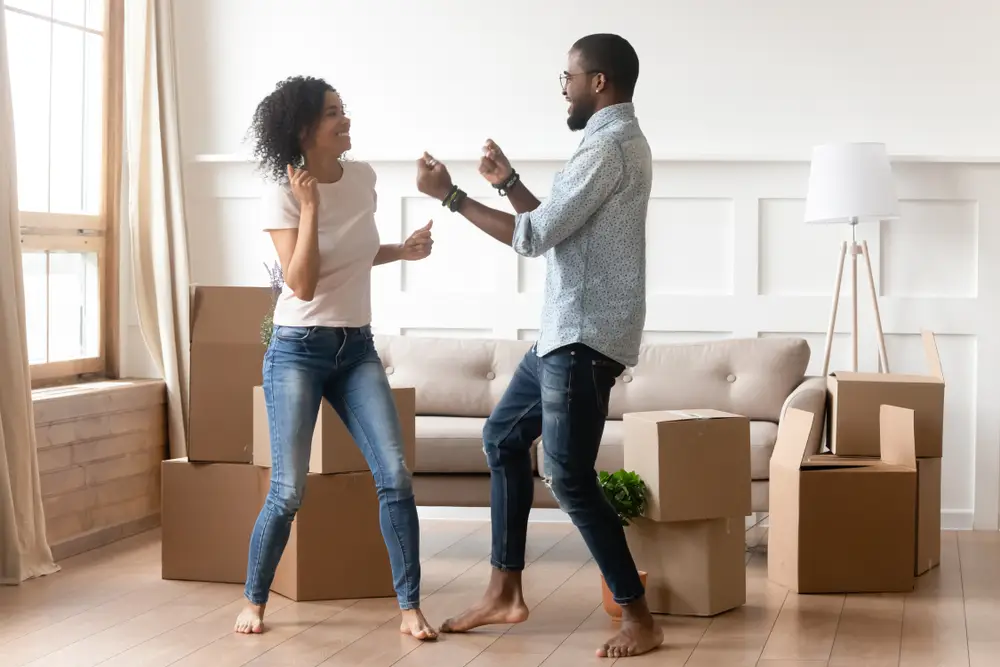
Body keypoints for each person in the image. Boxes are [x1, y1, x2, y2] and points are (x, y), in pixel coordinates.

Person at [415, 34, 662, 659]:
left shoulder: (608, 148)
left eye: (569, 77)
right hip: (564, 332)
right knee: (502, 438)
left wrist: (451, 197)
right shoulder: (610, 144)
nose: (565, 88)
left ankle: (639, 617)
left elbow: (531, 238)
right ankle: (505, 592)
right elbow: (555, 227)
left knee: (570, 476)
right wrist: (509, 183)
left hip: (581, 335)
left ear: (598, 82)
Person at [235, 75, 438, 640]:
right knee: (289, 489)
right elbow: (300, 284)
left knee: (395, 474)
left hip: (356, 347)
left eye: (343, 109)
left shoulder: (365, 177)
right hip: (297, 351)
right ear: (303, 130)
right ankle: (254, 598)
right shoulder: (282, 192)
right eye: (332, 114)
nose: (344, 119)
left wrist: (402, 251)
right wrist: (309, 206)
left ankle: (409, 607)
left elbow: (356, 255)